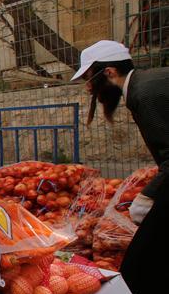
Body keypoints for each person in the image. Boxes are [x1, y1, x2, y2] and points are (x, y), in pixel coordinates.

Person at [72, 40, 168, 223]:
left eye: (89, 79)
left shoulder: (145, 93)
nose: (88, 87)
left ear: (109, 72)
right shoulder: (146, 85)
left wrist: (147, 196)